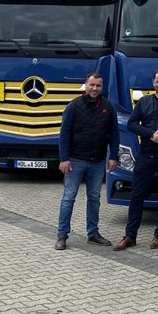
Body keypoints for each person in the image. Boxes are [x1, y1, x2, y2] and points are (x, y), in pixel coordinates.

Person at [114, 69, 158, 251]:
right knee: (137, 195)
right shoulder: (144, 102)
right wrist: (150, 134)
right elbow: (131, 124)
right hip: (146, 156)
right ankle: (130, 236)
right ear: (153, 82)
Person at [55, 72, 119, 250]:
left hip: (98, 161)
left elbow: (114, 133)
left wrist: (113, 156)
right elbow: (64, 133)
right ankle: (62, 235)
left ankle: (93, 234)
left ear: (102, 87)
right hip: (75, 160)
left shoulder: (108, 107)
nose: (95, 88)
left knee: (94, 198)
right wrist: (64, 158)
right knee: (68, 197)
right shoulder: (74, 106)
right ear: (86, 85)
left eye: (98, 85)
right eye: (92, 85)